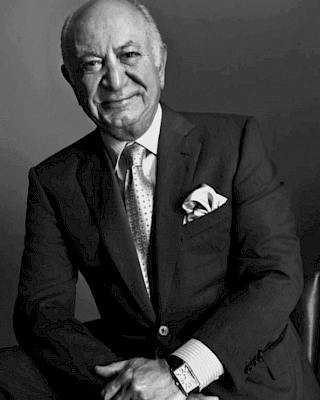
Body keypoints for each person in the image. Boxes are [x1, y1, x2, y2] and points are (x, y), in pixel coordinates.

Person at [3, 0, 319, 399]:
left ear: (160, 61)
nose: (115, 81)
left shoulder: (233, 144)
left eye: (129, 54)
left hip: (241, 374)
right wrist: (125, 387)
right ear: (71, 79)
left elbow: (275, 275)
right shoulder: (54, 181)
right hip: (132, 374)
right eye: (91, 65)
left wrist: (180, 376)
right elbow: (41, 315)